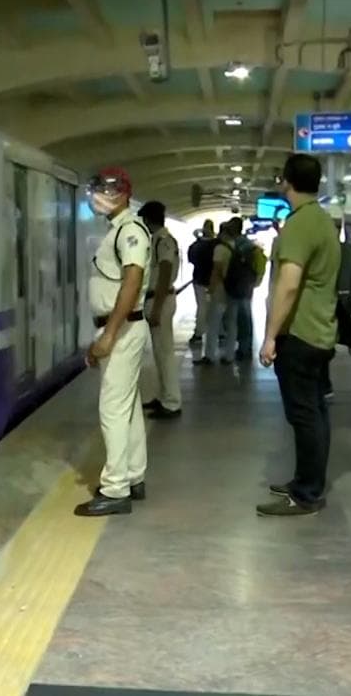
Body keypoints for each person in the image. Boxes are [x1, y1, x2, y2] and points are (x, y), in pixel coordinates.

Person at [258, 154, 340, 516]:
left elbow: (288, 285)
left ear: (286, 182)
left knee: (304, 414)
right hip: (319, 330)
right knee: (314, 411)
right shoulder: (321, 220)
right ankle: (305, 480)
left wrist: (270, 336)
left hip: (301, 333)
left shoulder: (300, 224)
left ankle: (307, 493)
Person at [75, 167, 152, 517]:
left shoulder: (131, 231)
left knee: (113, 408)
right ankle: (134, 476)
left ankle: (115, 488)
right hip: (122, 328)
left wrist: (108, 335)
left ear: (121, 193)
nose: (94, 198)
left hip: (121, 329)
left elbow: (132, 282)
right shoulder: (119, 230)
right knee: (128, 406)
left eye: (100, 192)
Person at [138, 201, 182, 419]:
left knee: (164, 353)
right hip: (159, 300)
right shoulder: (160, 240)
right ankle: (164, 395)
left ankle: (172, 402)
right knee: (160, 352)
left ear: (148, 219)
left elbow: (164, 273)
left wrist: (156, 308)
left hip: (160, 300)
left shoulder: (163, 241)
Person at [196, 218, 239, 366]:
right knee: (232, 323)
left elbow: (216, 270)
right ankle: (229, 356)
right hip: (235, 289)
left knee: (213, 323)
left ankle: (209, 355)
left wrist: (210, 289)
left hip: (221, 289)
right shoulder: (237, 246)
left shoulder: (220, 249)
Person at [222, 216, 263, 361]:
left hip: (240, 285)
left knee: (243, 317)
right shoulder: (246, 244)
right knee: (242, 316)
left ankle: (244, 348)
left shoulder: (241, 245)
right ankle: (244, 346)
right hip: (244, 285)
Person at [186, 220, 217, 344]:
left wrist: (198, 237)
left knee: (201, 307)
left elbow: (191, 259)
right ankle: (217, 333)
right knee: (214, 308)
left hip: (198, 279)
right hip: (214, 280)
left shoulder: (196, 245)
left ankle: (198, 333)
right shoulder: (217, 245)